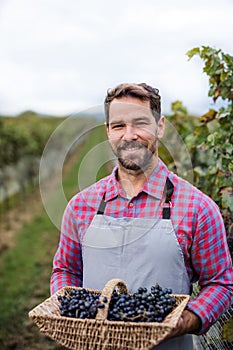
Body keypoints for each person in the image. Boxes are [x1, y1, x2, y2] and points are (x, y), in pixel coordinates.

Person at [50, 83, 233, 349]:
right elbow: (65, 270)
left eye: (140, 123)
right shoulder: (81, 206)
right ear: (108, 132)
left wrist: (190, 318)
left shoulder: (198, 208)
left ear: (160, 127)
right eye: (119, 126)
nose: (130, 135)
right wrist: (69, 308)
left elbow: (221, 283)